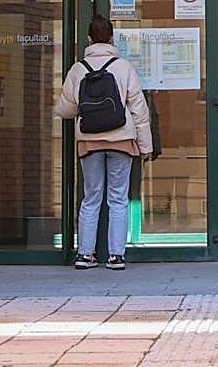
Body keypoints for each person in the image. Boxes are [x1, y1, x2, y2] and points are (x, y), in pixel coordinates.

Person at [54, 15, 153, 271]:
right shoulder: (123, 67)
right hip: (121, 139)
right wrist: (146, 147)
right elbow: (139, 111)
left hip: (89, 141)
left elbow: (64, 109)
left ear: (89, 39)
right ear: (111, 38)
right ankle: (116, 256)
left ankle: (85, 255)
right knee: (118, 199)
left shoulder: (78, 69)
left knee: (91, 197)